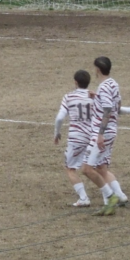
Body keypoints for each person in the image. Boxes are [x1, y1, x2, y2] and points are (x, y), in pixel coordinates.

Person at [81, 56, 130, 215]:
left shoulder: (104, 88)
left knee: (87, 169)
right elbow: (115, 108)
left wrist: (100, 135)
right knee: (102, 167)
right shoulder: (113, 84)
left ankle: (110, 198)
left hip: (101, 133)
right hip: (112, 131)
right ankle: (120, 196)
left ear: (97, 69)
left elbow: (108, 111)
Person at [54, 70, 96, 207]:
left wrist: (57, 133)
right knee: (97, 167)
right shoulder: (94, 96)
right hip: (92, 137)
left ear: (75, 82)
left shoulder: (69, 97)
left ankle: (84, 198)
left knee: (70, 168)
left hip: (76, 138)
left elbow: (60, 118)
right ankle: (113, 193)